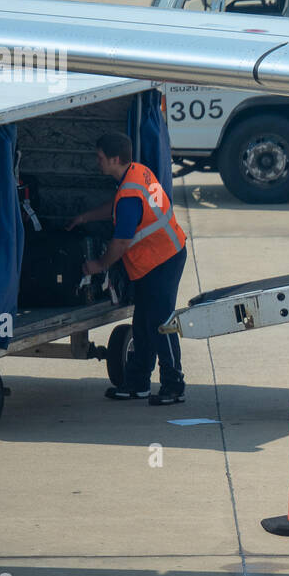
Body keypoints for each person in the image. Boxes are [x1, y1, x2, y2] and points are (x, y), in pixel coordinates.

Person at [68, 133, 188, 405]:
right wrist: (85, 216)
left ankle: (174, 384)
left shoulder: (130, 193)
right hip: (160, 257)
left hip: (162, 261)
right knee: (144, 323)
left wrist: (97, 266)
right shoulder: (138, 173)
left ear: (115, 159)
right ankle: (137, 382)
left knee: (161, 323)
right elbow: (118, 207)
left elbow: (121, 241)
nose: (97, 162)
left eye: (100, 158)